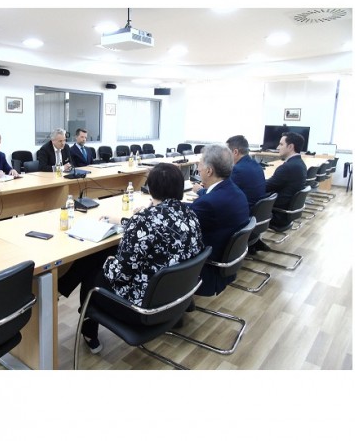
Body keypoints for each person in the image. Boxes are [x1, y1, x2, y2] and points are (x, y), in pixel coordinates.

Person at [57, 163, 204, 354]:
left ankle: (87, 328)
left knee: (94, 267)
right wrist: (131, 221)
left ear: (150, 189)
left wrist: (108, 260)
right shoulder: (191, 214)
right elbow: (159, 229)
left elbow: (120, 275)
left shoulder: (145, 221)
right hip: (174, 297)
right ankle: (62, 287)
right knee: (101, 256)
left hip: (142, 307)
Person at [187, 144, 250, 296]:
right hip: (228, 264)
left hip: (206, 271)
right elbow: (206, 202)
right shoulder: (235, 191)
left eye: (200, 164)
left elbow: (179, 225)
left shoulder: (208, 204)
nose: (198, 167)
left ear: (209, 171)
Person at [264, 131, 307, 229]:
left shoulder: (287, 167)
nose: (277, 147)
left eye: (281, 144)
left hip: (278, 214)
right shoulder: (300, 164)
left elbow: (265, 187)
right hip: (286, 213)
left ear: (290, 146)